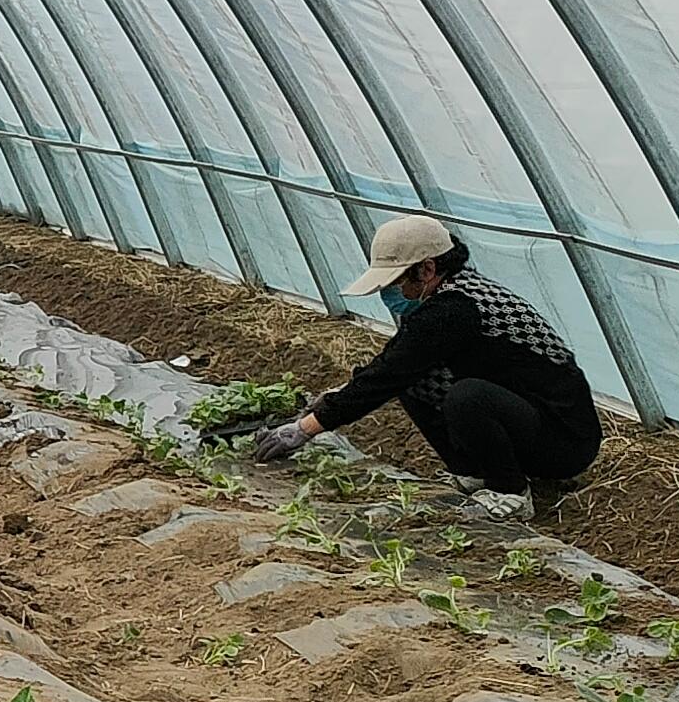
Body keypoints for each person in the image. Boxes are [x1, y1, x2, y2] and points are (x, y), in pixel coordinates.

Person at [250, 214, 600, 518]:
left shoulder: (455, 309)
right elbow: (393, 364)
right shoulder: (447, 299)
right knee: (417, 382)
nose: (393, 290)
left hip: (565, 441)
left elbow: (387, 375)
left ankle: (509, 491)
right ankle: (474, 473)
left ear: (428, 268)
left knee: (467, 396)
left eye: (399, 280)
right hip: (527, 419)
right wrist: (326, 404)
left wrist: (305, 429)